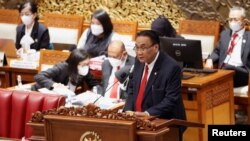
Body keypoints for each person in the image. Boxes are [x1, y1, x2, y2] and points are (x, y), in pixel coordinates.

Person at [123, 30, 186, 140]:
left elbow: (171, 100)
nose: (139, 52)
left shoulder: (171, 68)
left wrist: (148, 113)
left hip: (165, 123)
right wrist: (127, 112)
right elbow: (132, 89)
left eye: (143, 48)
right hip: (138, 123)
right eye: (136, 48)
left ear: (156, 47)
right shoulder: (139, 61)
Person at [205, 6, 250, 87]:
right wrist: (210, 59)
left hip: (241, 72)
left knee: (228, 68)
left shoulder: (249, 37)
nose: (232, 22)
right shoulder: (225, 34)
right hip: (224, 71)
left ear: (244, 21)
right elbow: (217, 51)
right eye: (230, 19)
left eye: (235, 19)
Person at [32, 49, 99, 93]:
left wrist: (95, 90)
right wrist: (54, 84)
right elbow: (39, 76)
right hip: (44, 93)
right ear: (74, 63)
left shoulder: (85, 70)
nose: (86, 67)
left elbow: (94, 84)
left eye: (88, 64)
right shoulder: (62, 67)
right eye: (84, 64)